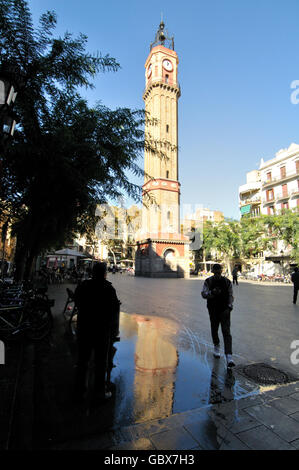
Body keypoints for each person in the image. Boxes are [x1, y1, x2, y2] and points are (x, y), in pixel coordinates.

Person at [74, 262, 120, 402]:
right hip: (101, 330)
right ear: (104, 273)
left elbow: (77, 302)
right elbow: (114, 310)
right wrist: (112, 330)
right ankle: (99, 391)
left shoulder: (83, 286)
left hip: (84, 328)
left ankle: (80, 389)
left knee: (82, 360)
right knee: (101, 362)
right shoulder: (108, 288)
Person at [201, 263, 235, 368]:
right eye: (215, 272)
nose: (217, 274)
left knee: (226, 331)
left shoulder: (227, 282)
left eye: (219, 272)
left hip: (224, 309)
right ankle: (216, 345)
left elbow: (231, 294)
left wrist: (230, 306)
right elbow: (203, 294)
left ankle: (229, 356)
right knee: (214, 328)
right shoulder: (208, 281)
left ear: (221, 271)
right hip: (213, 309)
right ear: (213, 272)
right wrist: (212, 293)